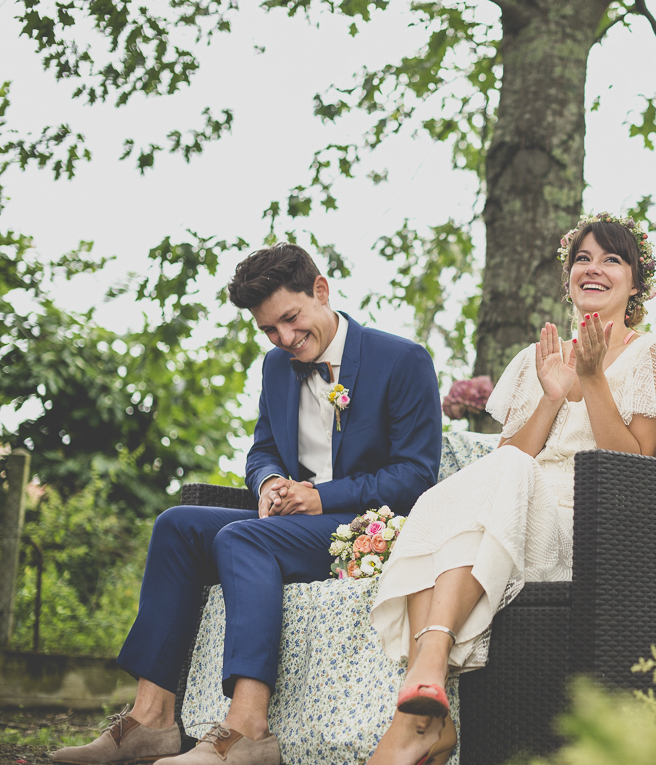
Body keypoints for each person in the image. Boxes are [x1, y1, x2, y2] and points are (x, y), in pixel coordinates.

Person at [52, 243, 442, 765]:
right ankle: (152, 719)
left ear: (320, 291)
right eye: (269, 331)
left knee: (241, 537)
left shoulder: (403, 359)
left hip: (368, 528)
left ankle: (247, 730)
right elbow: (261, 449)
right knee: (178, 525)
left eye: (290, 319)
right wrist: (268, 484)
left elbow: (416, 476)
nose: (284, 339)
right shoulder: (277, 368)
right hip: (291, 525)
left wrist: (319, 495)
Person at [366, 213, 656, 765]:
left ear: (637, 281)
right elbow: (511, 460)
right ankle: (428, 701)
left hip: (591, 520)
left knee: (489, 488)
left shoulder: (655, 356)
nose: (593, 269)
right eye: (583, 259)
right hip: (515, 507)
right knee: (471, 492)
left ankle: (425, 694)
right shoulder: (535, 358)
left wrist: (592, 379)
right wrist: (552, 395)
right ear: (568, 275)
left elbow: (636, 470)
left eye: (612, 259)